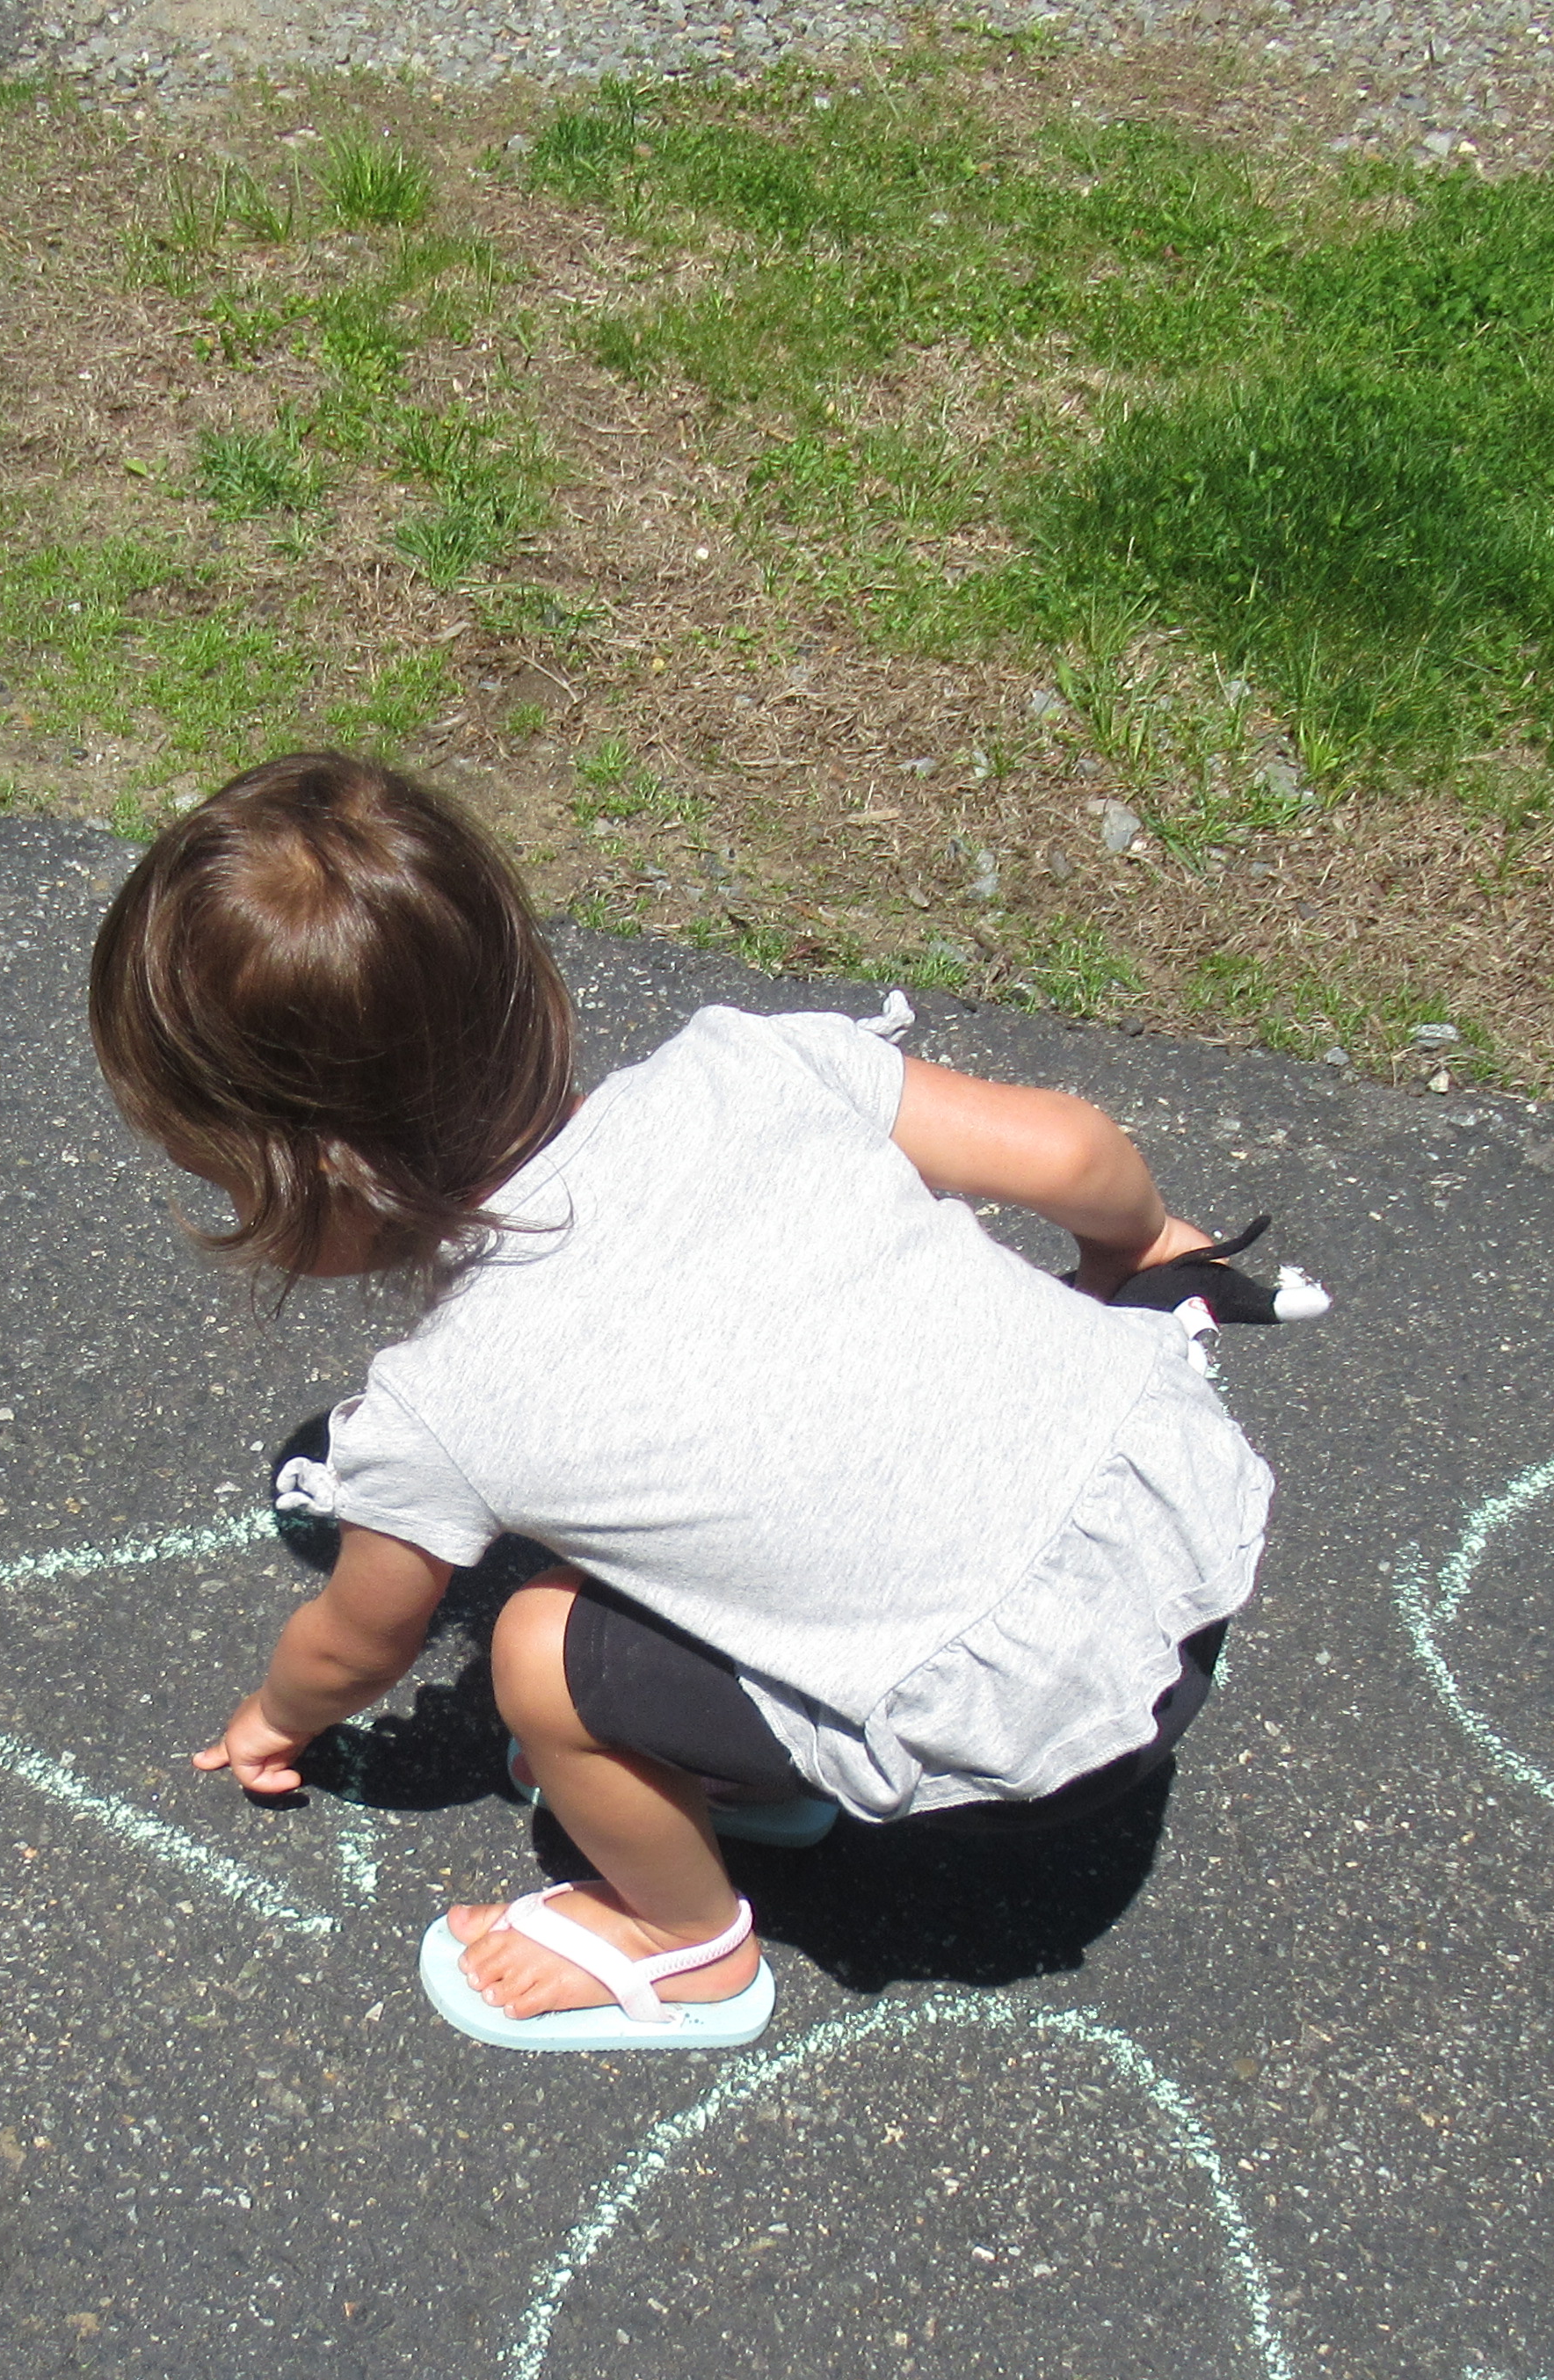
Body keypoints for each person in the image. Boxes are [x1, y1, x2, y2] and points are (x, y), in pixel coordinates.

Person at [88, 752, 1282, 2053]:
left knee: (541, 1653)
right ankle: (741, 1761)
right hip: (1174, 1514)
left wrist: (279, 1717)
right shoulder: (747, 1066)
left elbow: (358, 1645)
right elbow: (1071, 1152)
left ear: (318, 1180)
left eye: (214, 1177)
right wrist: (1145, 1249)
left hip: (1029, 1734)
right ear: (526, 978)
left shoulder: (441, 1409)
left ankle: (686, 1947)